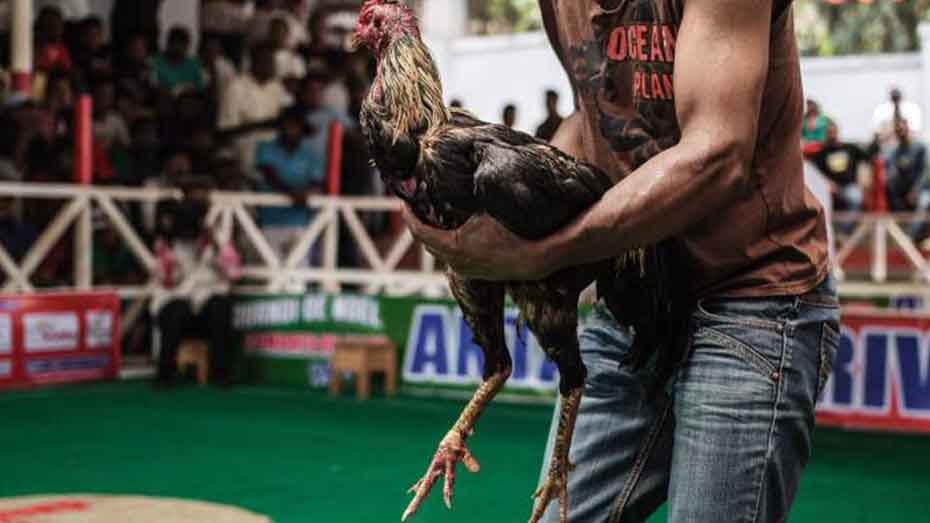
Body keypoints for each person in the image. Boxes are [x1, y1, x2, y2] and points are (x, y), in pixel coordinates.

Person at [403, 1, 836, 522]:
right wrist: (499, 198)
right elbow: (593, 118)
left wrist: (541, 253)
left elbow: (717, 154)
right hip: (634, 302)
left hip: (750, 300)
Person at [255, 107, 325, 272]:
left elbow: (316, 183)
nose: (291, 130)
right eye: (287, 126)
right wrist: (294, 194)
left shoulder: (311, 155)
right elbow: (270, 176)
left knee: (299, 272)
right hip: (270, 219)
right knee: (271, 273)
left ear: (302, 129)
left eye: (295, 126)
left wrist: (307, 193)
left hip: (299, 221)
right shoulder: (265, 148)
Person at [218, 42, 291, 174]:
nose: (272, 66)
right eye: (267, 61)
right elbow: (225, 131)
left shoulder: (277, 87)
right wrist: (260, 125)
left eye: (273, 61)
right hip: (246, 145)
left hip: (275, 146)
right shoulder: (236, 87)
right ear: (254, 62)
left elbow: (283, 120)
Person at [884, 119, 930, 240]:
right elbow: (890, 170)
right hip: (904, 190)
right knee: (890, 189)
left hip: (923, 189)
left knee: (923, 202)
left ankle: (909, 238)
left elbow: (925, 172)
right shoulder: (895, 151)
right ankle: (903, 234)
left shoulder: (920, 147)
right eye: (898, 130)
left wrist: (916, 190)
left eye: (903, 129)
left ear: (908, 129)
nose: (901, 132)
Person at [809, 122, 869, 213]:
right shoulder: (822, 153)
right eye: (829, 133)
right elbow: (814, 172)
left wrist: (864, 181)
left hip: (849, 186)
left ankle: (846, 227)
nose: (832, 135)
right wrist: (827, 183)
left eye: (833, 132)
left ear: (837, 132)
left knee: (855, 198)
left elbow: (868, 157)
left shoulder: (850, 148)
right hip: (829, 188)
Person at [151, 27, 207, 96]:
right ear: (169, 44)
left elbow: (201, 87)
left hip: (188, 101)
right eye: (176, 43)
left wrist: (186, 90)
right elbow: (153, 85)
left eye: (183, 44)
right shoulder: (155, 62)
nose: (179, 48)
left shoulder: (194, 64)